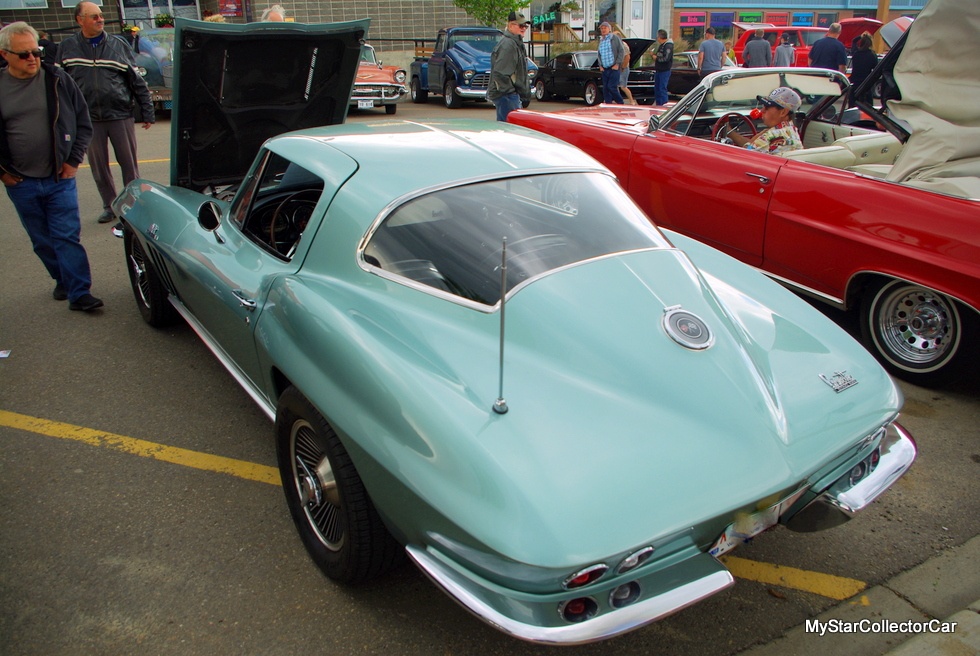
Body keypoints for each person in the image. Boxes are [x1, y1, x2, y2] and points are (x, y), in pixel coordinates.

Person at [1, 22, 103, 312]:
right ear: (4, 54)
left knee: (66, 235)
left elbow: (83, 123)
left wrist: (73, 161)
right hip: (20, 180)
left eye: (36, 52)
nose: (32, 58)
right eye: (23, 54)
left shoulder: (56, 79)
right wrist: (4, 173)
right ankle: (62, 278)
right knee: (42, 240)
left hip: (60, 176)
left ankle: (79, 292)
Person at [57, 1, 154, 231]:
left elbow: (136, 79)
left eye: (100, 16)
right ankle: (110, 206)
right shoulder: (67, 48)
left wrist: (147, 110)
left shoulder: (118, 45)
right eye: (94, 16)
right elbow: (57, 86)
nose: (100, 20)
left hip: (120, 114)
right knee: (99, 167)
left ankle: (133, 205)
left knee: (129, 164)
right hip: (88, 118)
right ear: (80, 20)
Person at [721, 87, 802, 156]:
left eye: (767, 107)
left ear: (783, 112)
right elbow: (758, 146)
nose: (762, 110)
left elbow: (744, 156)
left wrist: (753, 140)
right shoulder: (793, 131)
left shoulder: (771, 135)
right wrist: (730, 132)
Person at [488, 11, 530, 121]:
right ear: (511, 26)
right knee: (512, 129)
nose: (524, 28)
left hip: (509, 95)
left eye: (525, 26)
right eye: (521, 25)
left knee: (509, 129)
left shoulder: (514, 43)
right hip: (507, 96)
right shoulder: (508, 45)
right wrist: (511, 92)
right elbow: (500, 73)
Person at [596, 22, 624, 104]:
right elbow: (599, 53)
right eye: (602, 28)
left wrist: (617, 63)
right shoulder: (601, 40)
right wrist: (600, 65)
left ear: (609, 29)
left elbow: (621, 51)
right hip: (605, 68)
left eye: (605, 28)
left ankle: (620, 102)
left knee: (611, 87)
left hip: (614, 67)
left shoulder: (614, 38)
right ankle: (608, 105)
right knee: (605, 89)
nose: (603, 30)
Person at [848, 32, 877, 107]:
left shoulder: (856, 53)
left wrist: (861, 36)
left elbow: (854, 41)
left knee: (852, 106)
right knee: (868, 108)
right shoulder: (872, 55)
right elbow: (876, 69)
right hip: (866, 84)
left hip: (855, 83)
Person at [653, 29, 673, 106]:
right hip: (658, 70)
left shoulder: (668, 46)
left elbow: (666, 58)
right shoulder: (662, 45)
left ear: (659, 37)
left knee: (662, 89)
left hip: (664, 70)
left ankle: (664, 106)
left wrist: (656, 58)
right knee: (657, 89)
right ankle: (658, 105)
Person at [616, 32, 635, 105]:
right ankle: (619, 100)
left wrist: (623, 67)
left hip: (624, 68)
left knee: (623, 86)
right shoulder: (617, 45)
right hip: (618, 67)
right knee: (616, 85)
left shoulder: (623, 46)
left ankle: (631, 101)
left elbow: (627, 57)